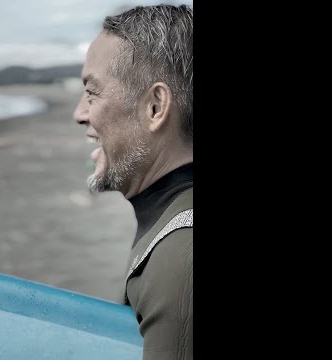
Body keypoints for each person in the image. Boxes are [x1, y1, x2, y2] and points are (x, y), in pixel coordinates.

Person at [73, 4, 193, 360]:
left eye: (92, 93)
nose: (79, 114)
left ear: (155, 108)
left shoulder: (182, 259)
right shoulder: (170, 222)